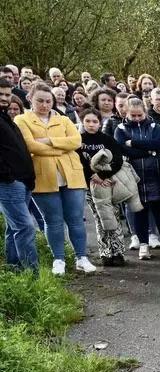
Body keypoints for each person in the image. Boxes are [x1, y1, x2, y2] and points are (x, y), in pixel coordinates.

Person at [15, 84, 93, 276]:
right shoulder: (22, 119)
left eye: (48, 101)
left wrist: (49, 141)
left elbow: (76, 142)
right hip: (44, 176)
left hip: (71, 175)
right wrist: (62, 147)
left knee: (75, 219)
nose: (44, 105)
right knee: (53, 221)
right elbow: (31, 146)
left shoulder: (64, 119)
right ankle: (59, 259)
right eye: (39, 101)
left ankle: (81, 257)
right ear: (30, 100)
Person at [113, 97, 160, 258]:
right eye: (133, 116)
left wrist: (133, 143)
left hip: (157, 174)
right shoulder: (120, 129)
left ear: (145, 112)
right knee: (139, 210)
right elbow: (122, 150)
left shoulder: (154, 126)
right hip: (134, 176)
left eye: (140, 115)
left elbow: (159, 143)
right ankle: (143, 245)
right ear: (127, 113)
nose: (137, 118)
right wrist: (148, 150)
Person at [77, 108, 129, 266]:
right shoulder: (78, 140)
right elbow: (78, 162)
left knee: (113, 217)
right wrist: (92, 177)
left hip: (109, 184)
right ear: (82, 122)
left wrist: (103, 176)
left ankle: (118, 252)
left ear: (100, 123)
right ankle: (105, 252)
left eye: (94, 121)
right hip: (90, 186)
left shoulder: (107, 139)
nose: (91, 124)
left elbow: (118, 160)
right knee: (100, 219)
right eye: (88, 121)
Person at [0, 77, 39, 271]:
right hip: (9, 183)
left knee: (13, 228)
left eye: (7, 94)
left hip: (22, 181)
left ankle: (15, 268)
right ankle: (32, 275)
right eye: (1, 94)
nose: (4, 98)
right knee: (25, 227)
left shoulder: (5, 117)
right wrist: (8, 176)